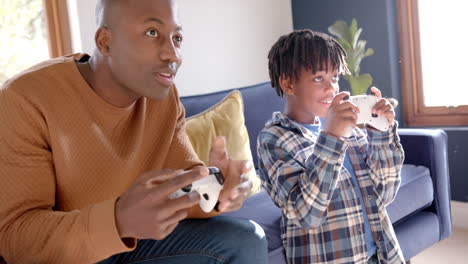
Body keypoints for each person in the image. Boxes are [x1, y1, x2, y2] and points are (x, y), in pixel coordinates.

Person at [0, 0, 268, 263]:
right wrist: (117, 222)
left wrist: (217, 188)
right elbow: (16, 240)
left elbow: (182, 187)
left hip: (132, 244)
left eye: (177, 38)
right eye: (152, 33)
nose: (173, 54)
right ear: (105, 41)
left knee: (246, 240)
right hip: (66, 255)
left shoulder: (162, 98)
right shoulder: (24, 101)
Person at [257, 29, 405, 264]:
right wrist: (332, 138)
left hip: (381, 256)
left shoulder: (352, 129)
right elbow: (307, 214)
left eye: (334, 77)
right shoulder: (274, 139)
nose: (332, 88)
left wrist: (380, 135)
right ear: (288, 83)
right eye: (319, 78)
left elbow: (384, 194)